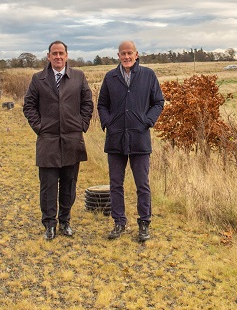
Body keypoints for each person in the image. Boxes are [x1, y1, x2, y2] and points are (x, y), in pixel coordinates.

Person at [23, 41, 94, 240]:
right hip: (48, 141)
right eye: (54, 54)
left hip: (72, 140)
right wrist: (39, 127)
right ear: (48, 56)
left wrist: (81, 124)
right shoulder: (38, 79)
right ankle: (49, 224)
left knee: (69, 184)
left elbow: (87, 102)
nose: (58, 57)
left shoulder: (78, 77)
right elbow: (29, 106)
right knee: (48, 185)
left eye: (61, 53)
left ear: (67, 55)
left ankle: (65, 221)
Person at [97, 40, 165, 242]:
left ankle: (144, 223)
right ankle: (119, 222)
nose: (126, 57)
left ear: (136, 54)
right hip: (115, 138)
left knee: (142, 184)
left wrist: (148, 120)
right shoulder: (111, 77)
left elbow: (158, 102)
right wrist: (108, 122)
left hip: (139, 138)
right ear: (118, 56)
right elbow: (102, 104)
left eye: (130, 53)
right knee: (115, 184)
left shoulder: (148, 75)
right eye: (123, 53)